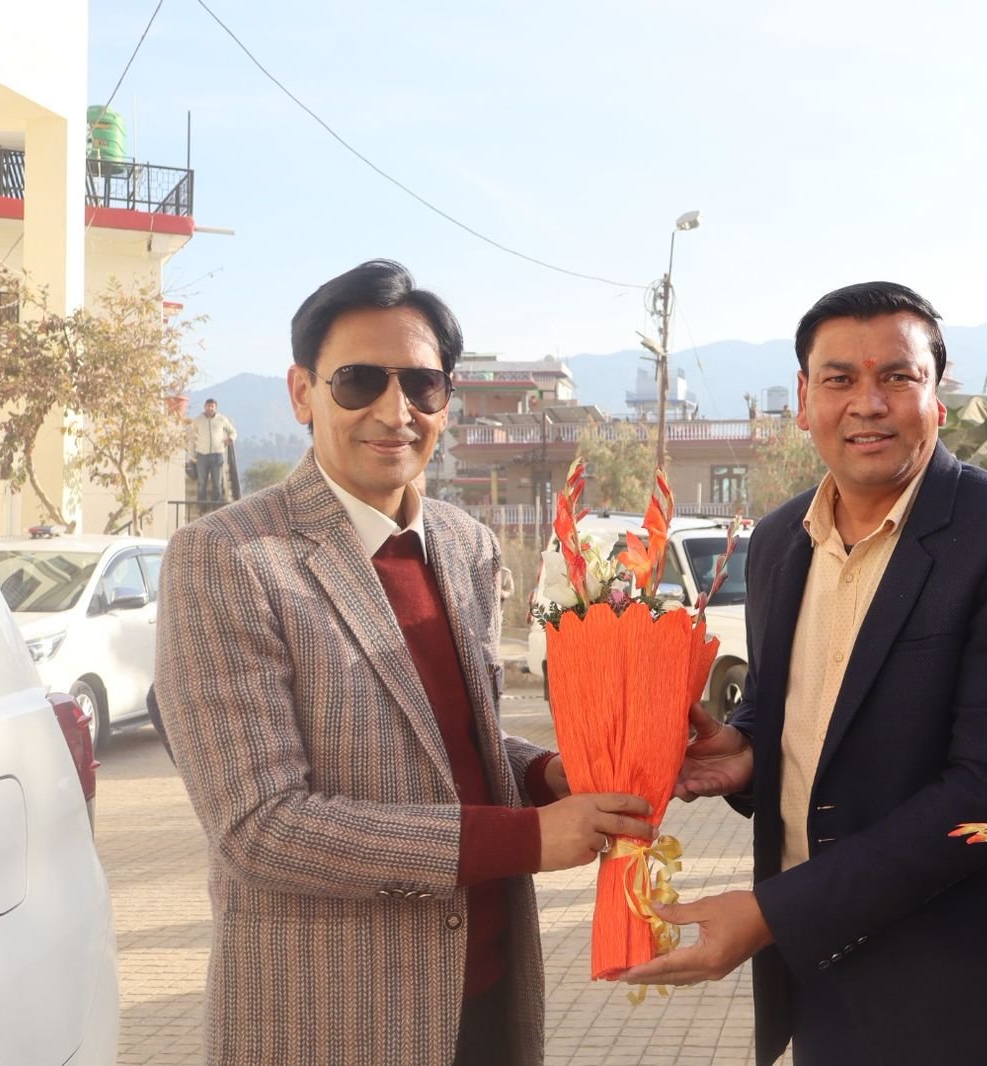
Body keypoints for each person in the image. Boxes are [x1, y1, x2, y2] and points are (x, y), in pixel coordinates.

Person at [155, 260, 654, 1066]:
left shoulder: (465, 544)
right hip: (333, 1023)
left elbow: (451, 740)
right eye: (359, 381)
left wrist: (548, 776)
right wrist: (527, 838)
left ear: (446, 402)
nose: (395, 412)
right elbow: (261, 827)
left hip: (487, 1001)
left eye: (422, 385)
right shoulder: (229, 558)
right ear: (302, 392)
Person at [620, 281, 987, 1065]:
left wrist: (772, 913)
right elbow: (795, 704)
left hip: (979, 990)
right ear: (804, 399)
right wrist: (748, 750)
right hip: (826, 977)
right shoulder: (779, 541)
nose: (867, 404)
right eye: (840, 379)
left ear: (937, 395)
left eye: (897, 377)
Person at [190, 398, 237, 503]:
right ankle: (202, 507)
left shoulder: (222, 419)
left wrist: (230, 439)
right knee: (201, 483)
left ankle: (215, 507)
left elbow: (233, 431)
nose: (210, 408)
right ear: (204, 407)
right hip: (202, 455)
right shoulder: (198, 420)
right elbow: (192, 437)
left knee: (217, 483)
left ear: (216, 408)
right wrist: (192, 454)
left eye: (212, 406)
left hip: (217, 455)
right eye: (208, 406)